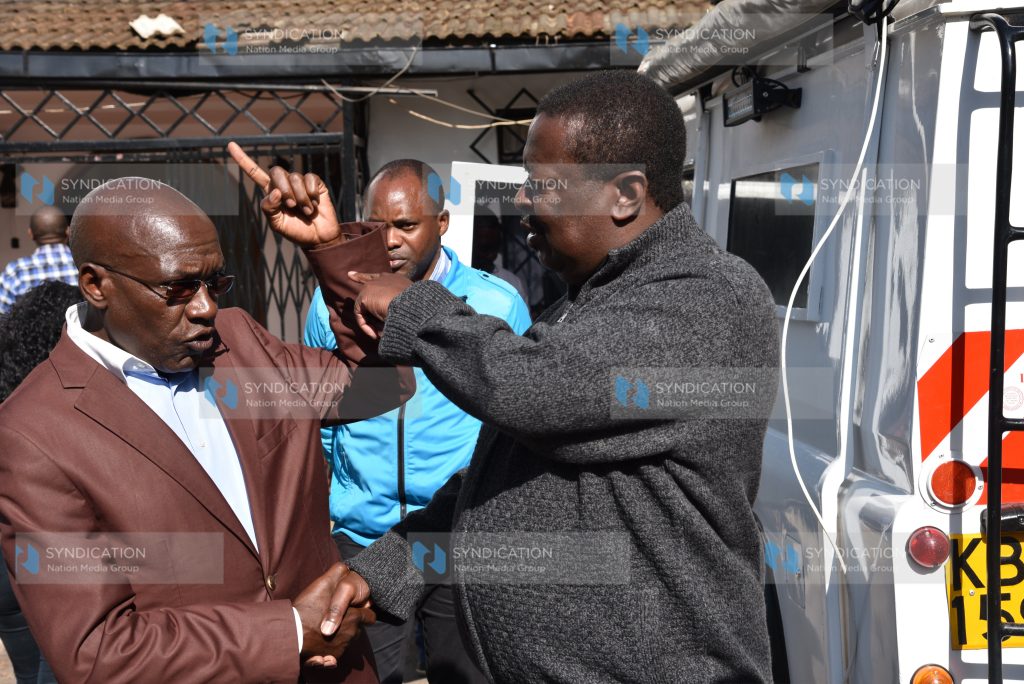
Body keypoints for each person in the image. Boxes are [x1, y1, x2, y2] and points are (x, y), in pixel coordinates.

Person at [311, 71, 782, 682]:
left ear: (625, 194)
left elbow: (538, 393)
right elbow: (498, 471)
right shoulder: (584, 304)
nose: (523, 203)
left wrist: (412, 307)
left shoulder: (710, 298)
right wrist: (388, 566)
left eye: (541, 185)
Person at [0, 144, 417, 683]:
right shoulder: (33, 434)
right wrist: (287, 630)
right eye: (177, 288)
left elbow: (383, 384)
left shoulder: (239, 341)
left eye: (215, 283)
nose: (205, 308)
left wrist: (334, 251)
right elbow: (98, 654)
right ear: (96, 285)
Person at [304, 160, 530, 684]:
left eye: (406, 226)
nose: (388, 243)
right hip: (365, 538)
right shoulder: (329, 305)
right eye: (376, 227)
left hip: (456, 536)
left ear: (442, 223)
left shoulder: (496, 302)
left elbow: (513, 418)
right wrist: (332, 508)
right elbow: (320, 417)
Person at [0, 281, 81, 684]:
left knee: (27, 667)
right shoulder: (63, 404)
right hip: (51, 559)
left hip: (7, 562)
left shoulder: (9, 401)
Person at [0, 206, 78, 314]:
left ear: (30, 234)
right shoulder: (83, 265)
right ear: (68, 231)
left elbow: (3, 315)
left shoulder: (15, 272)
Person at [471, 212, 528, 303]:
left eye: (495, 247)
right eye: (484, 248)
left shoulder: (513, 283)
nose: (492, 255)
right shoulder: (453, 280)